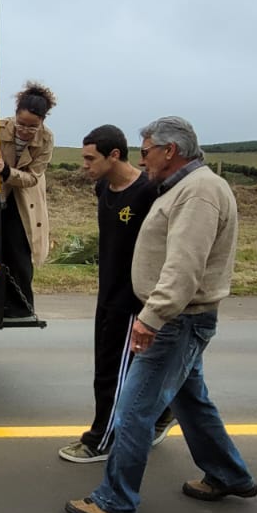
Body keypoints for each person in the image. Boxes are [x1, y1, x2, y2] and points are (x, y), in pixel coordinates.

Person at [65, 116, 257, 513]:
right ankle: (229, 474)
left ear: (170, 151)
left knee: (134, 410)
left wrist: (151, 318)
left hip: (177, 320)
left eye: (147, 151)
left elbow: (184, 266)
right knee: (191, 401)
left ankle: (116, 499)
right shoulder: (187, 188)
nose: (143, 159)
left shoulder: (199, 193)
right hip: (182, 318)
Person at [59, 125, 174, 464]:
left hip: (131, 298)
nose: (84, 164)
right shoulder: (102, 188)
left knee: (113, 370)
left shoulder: (148, 192)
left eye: (89, 158)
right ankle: (165, 411)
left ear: (114, 155)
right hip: (106, 292)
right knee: (124, 366)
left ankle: (102, 439)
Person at [0, 82, 55, 321]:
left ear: (42, 121)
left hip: (25, 199)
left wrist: (5, 171)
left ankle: (21, 306)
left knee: (18, 251)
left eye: (33, 126)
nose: (25, 130)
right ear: (15, 115)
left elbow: (33, 177)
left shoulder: (47, 139)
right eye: (21, 124)